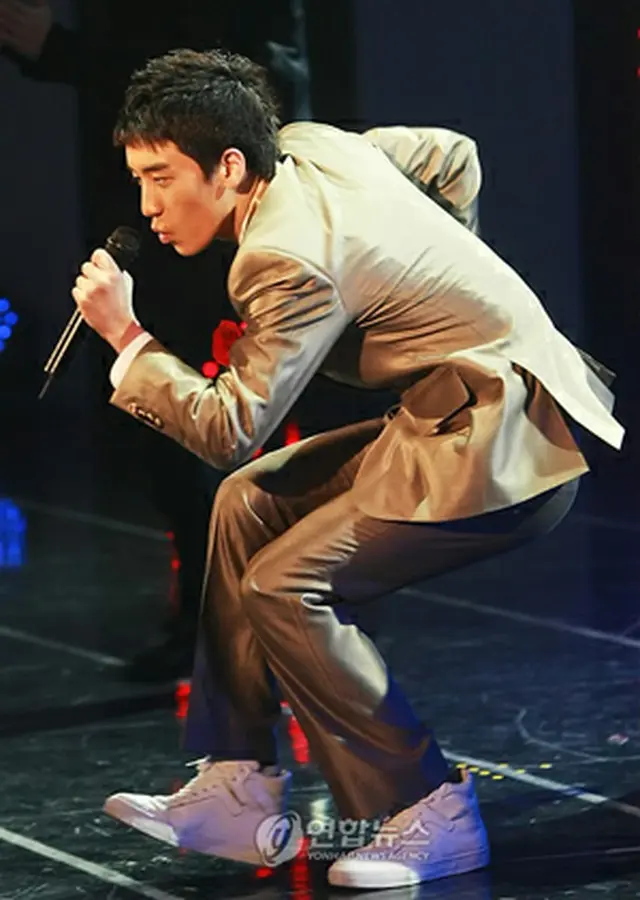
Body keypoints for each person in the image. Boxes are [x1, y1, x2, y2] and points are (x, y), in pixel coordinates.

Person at [70, 48, 623, 890]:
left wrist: (127, 338)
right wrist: (443, 277)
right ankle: (240, 784)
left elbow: (230, 427)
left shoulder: (280, 256)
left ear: (228, 166)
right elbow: (453, 156)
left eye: (161, 178)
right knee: (247, 504)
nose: (147, 206)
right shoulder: (313, 145)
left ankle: (428, 808)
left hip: (507, 440)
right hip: (448, 417)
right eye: (138, 180)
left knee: (285, 584)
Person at [0, 0, 313, 681]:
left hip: (224, 226)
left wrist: (64, 52)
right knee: (174, 450)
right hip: (179, 224)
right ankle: (217, 626)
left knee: (225, 439)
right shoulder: (150, 199)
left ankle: (255, 627)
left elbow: (244, 77)